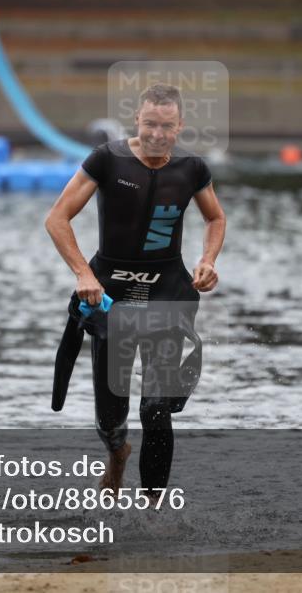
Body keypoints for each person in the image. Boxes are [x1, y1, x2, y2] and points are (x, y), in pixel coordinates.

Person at [45, 83, 226, 498]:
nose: (157, 134)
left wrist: (209, 260)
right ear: (137, 120)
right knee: (111, 417)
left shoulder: (191, 168)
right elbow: (57, 218)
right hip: (109, 293)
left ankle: (153, 511)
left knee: (156, 408)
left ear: (179, 126)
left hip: (166, 290)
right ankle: (117, 453)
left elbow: (215, 219)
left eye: (166, 126)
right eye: (149, 124)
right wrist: (82, 274)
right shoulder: (108, 159)